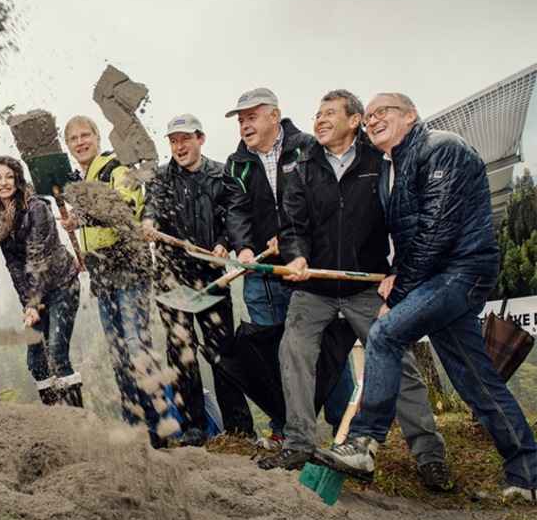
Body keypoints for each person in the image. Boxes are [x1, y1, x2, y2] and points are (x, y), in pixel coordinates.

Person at [315, 93, 537, 502]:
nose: (375, 119)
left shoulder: (441, 148)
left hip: (459, 272)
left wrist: (398, 291)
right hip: (437, 279)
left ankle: (364, 443)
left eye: (386, 111)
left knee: (384, 333)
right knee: (476, 380)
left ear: (411, 115)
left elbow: (436, 232)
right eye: (371, 117)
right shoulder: (391, 167)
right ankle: (527, 476)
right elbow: (408, 235)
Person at [265, 90, 451, 492]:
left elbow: (402, 219)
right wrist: (296, 256)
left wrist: (400, 270)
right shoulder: (303, 165)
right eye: (317, 113)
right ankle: (298, 442)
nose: (319, 119)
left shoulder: (379, 162)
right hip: (314, 286)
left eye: (329, 113)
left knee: (397, 362)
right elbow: (293, 224)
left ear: (354, 120)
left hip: (366, 282)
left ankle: (430, 454)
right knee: (293, 350)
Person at [223, 87, 352, 447]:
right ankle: (284, 429)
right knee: (271, 354)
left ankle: (345, 430)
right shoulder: (237, 164)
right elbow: (236, 211)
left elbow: (326, 198)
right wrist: (244, 248)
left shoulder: (307, 147)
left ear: (274, 116)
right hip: (262, 276)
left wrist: (296, 237)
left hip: (306, 270)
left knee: (323, 346)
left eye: (252, 117)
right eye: (241, 120)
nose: (245, 125)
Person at [62, 115, 181, 448]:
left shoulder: (116, 165)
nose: (81, 142)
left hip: (128, 264)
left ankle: (160, 427)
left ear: (98, 138)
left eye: (86, 135)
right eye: (74, 139)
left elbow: (122, 207)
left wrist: (81, 217)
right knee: (118, 353)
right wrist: (82, 246)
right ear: (69, 147)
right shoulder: (78, 178)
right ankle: (136, 425)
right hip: (102, 271)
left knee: (136, 345)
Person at [142, 114, 237, 444]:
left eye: (185, 139)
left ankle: (238, 428)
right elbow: (151, 206)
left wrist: (225, 243)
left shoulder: (220, 174)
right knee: (181, 351)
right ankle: (194, 426)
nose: (179, 146)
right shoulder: (161, 176)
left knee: (223, 351)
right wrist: (150, 222)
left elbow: (230, 218)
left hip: (212, 277)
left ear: (201, 138)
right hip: (170, 277)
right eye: (173, 140)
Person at [0, 156, 83, 406]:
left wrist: (33, 301)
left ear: (18, 179)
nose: (3, 183)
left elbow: (37, 256)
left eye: (9, 176)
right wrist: (28, 303)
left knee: (58, 355)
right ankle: (53, 421)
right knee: (36, 362)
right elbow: (14, 265)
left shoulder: (37, 208)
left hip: (62, 285)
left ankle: (81, 424)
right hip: (36, 295)